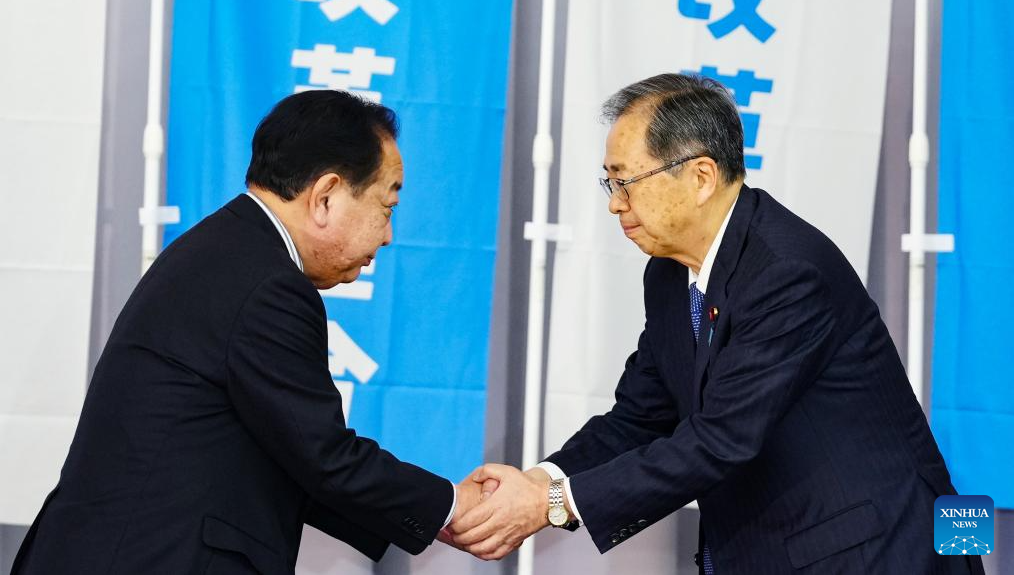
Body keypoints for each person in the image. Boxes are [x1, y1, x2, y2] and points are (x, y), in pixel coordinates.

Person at [450, 73, 984, 575]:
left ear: (701, 177)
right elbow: (640, 416)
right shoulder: (668, 272)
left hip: (877, 547)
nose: (614, 204)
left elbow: (721, 439)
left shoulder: (786, 272)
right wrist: (540, 481)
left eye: (626, 182)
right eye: (608, 182)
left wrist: (551, 504)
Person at [13, 90, 489, 574]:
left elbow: (289, 455)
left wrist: (438, 516)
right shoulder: (267, 285)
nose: (388, 236)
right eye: (386, 207)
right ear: (325, 196)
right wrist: (454, 508)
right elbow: (324, 456)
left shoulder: (227, 250)